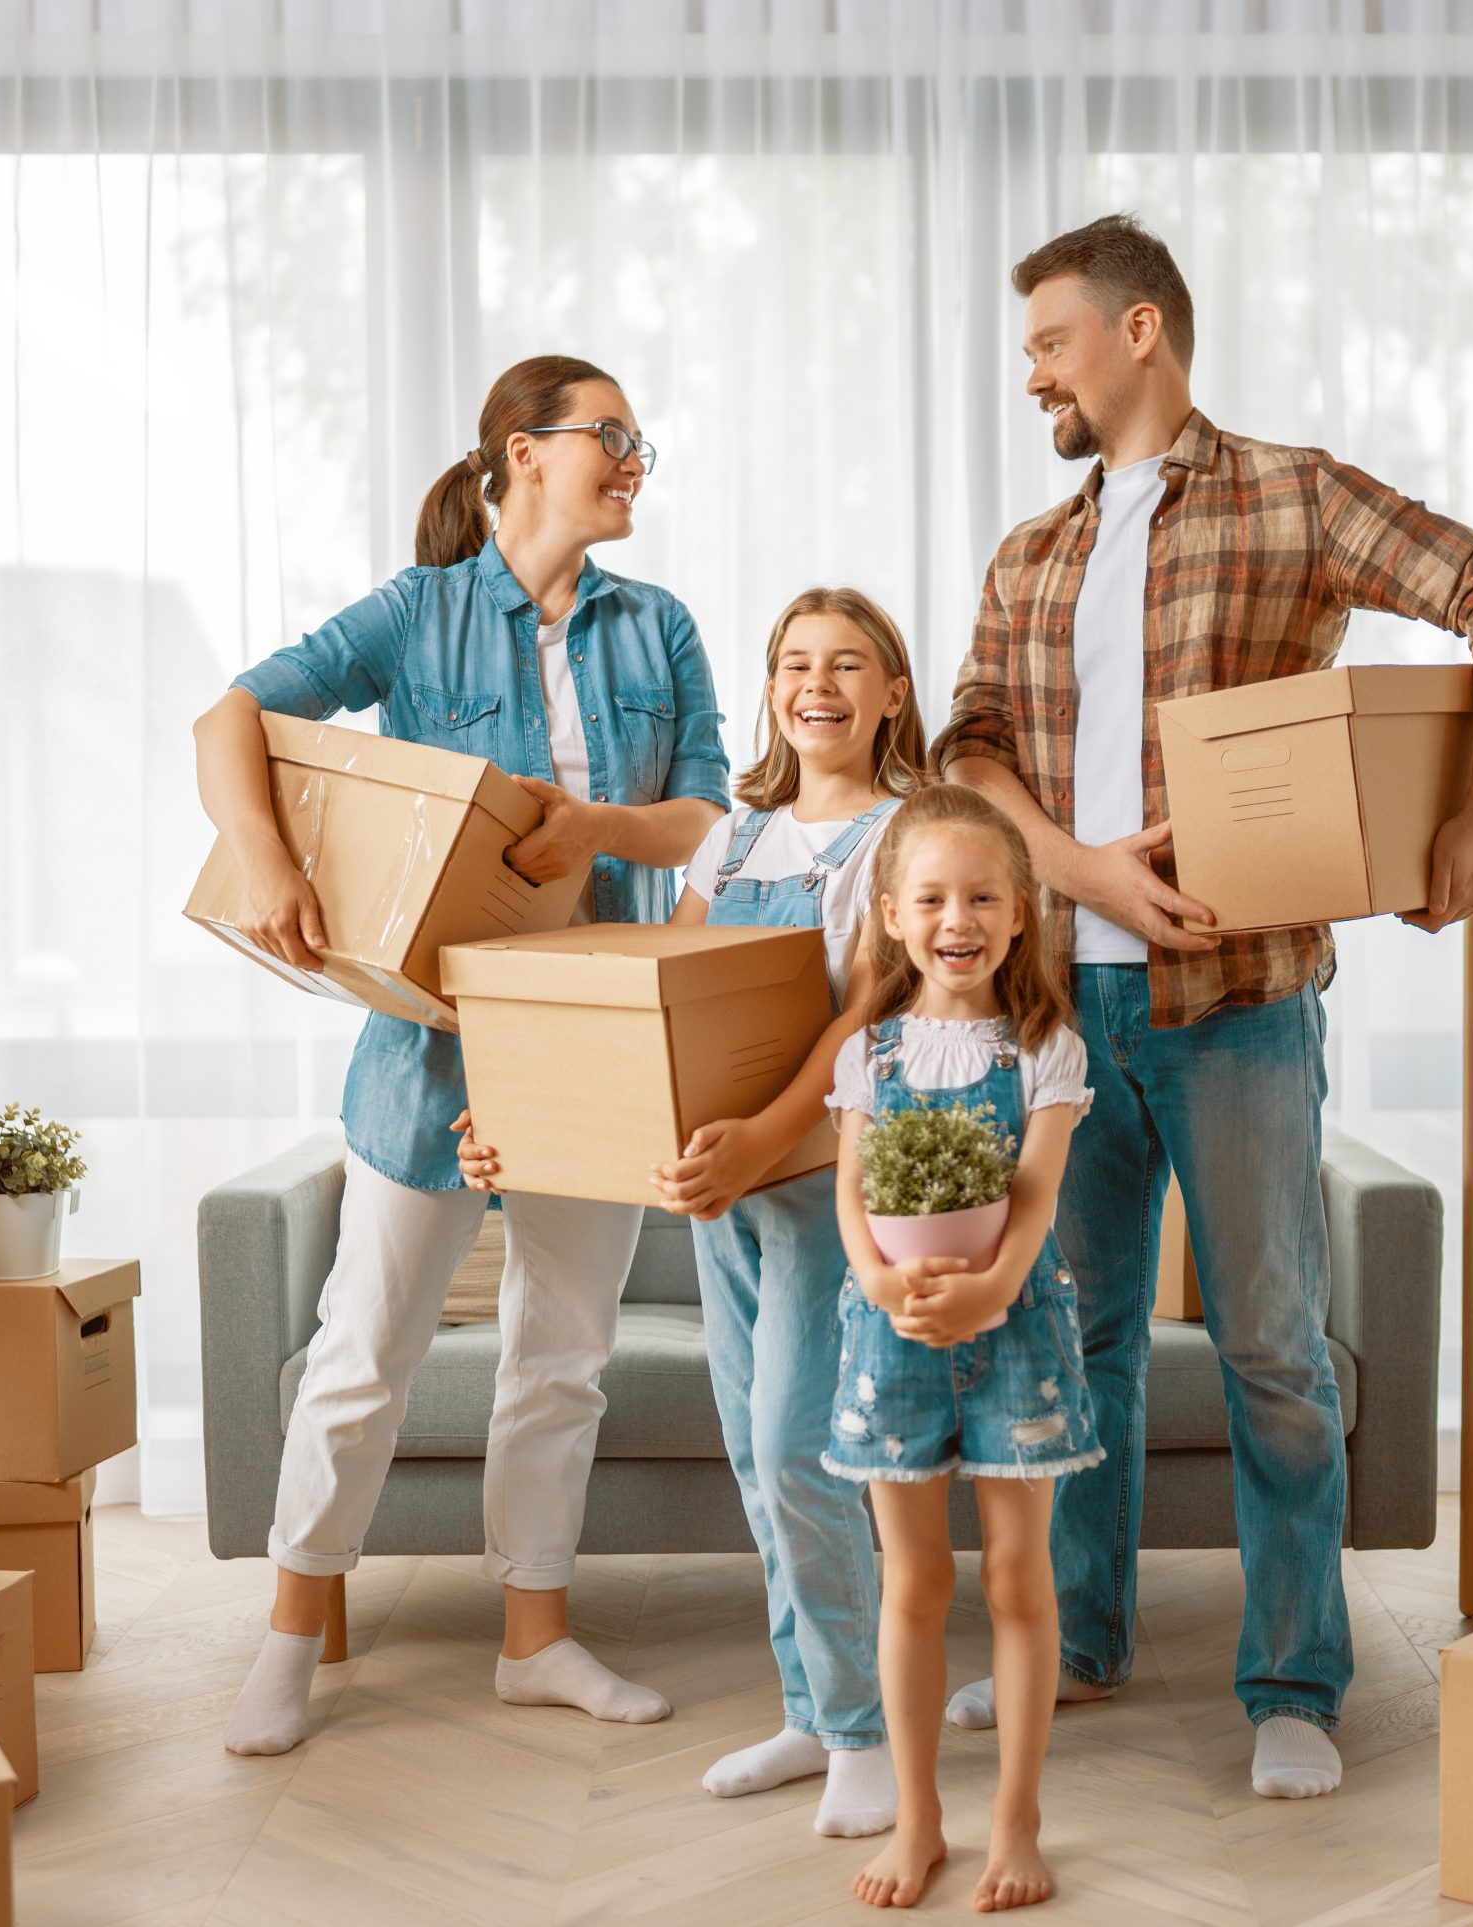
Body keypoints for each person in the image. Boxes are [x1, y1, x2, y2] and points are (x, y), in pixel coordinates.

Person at [936, 214, 1473, 1800]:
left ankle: (1294, 1677)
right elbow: (967, 750)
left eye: (1052, 342)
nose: (1035, 375)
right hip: (1060, 1011)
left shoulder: (1292, 493)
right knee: (1076, 1341)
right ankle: (1082, 1639)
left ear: (1140, 332)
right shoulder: (1035, 553)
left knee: (1274, 1345)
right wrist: (1081, 872)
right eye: (1030, 351)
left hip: (1242, 1006)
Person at [199, 355, 729, 1757]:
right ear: (522, 449)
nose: (631, 459)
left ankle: (536, 1637)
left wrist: (595, 829)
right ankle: (291, 1635)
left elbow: (707, 820)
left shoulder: (657, 625)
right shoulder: (419, 613)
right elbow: (232, 716)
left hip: (594, 1045)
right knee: (363, 1350)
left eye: (639, 442)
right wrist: (263, 857)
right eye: (610, 436)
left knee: (563, 1354)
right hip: (429, 1050)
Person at [642, 587, 925, 1837]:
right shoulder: (731, 842)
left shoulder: (909, 838)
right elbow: (666, 1008)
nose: (819, 685)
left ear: (891, 692)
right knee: (758, 1469)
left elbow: (862, 1020)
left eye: (848, 663)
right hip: (728, 1204)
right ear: (770, 691)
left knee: (798, 1456)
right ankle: (809, 1710)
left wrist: (763, 1139)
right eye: (795, 664)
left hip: (826, 1189)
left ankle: (864, 1732)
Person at [823, 783, 1100, 1914]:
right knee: (915, 1583)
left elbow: (1032, 1197)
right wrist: (886, 1282)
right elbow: (852, 1197)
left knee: (1021, 1581)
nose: (959, 917)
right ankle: (920, 1817)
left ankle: (1016, 1818)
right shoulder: (868, 1055)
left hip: (1018, 1331)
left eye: (983, 894)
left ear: (1021, 911)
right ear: (891, 914)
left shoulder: (1046, 1047)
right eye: (932, 896)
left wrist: (988, 1286)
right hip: (891, 1338)